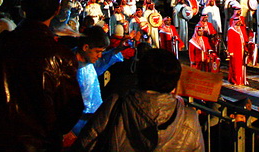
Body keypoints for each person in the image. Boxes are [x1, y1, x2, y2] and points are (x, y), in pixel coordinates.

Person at [0, 0, 84, 152]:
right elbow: (70, 111)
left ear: (23, 6)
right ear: (56, 10)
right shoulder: (62, 57)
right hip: (41, 145)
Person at [75, 48, 204, 152]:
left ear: (139, 74)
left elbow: (85, 144)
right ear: (175, 83)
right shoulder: (189, 118)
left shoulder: (116, 105)